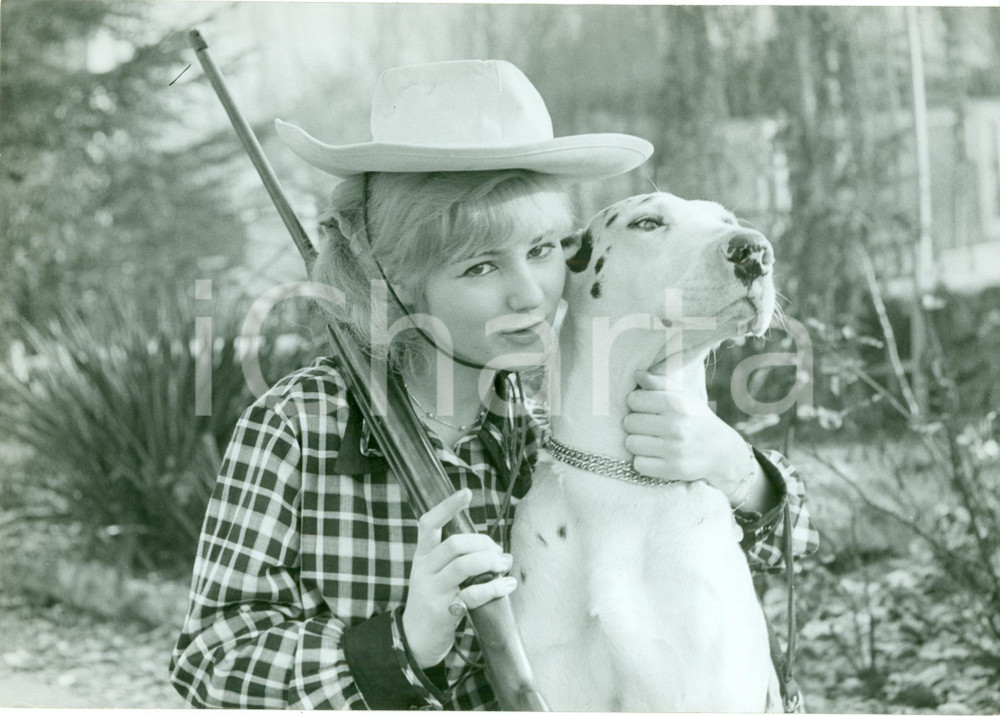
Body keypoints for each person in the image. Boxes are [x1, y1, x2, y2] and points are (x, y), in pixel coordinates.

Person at [169, 59, 818, 710]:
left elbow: (794, 546)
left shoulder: (545, 429)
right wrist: (403, 641)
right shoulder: (299, 425)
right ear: (388, 277)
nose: (527, 292)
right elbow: (208, 665)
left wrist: (738, 470)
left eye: (542, 250)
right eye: (480, 266)